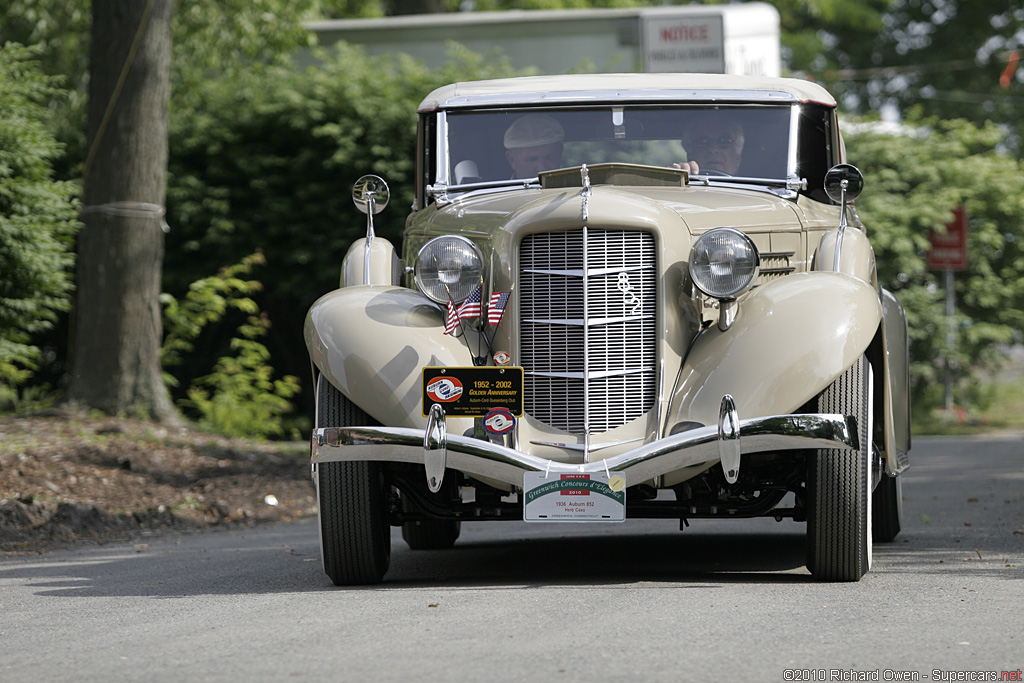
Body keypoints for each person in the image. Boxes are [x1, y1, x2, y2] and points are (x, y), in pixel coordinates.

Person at [674, 115, 745, 176]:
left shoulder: (750, 188)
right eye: (703, 142)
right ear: (689, 155)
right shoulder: (681, 187)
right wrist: (673, 177)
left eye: (724, 142)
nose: (713, 149)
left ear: (738, 158)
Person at [504, 114, 565, 179]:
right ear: (512, 160)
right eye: (531, 159)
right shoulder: (499, 189)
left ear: (560, 153)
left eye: (549, 157)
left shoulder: (575, 187)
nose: (542, 168)